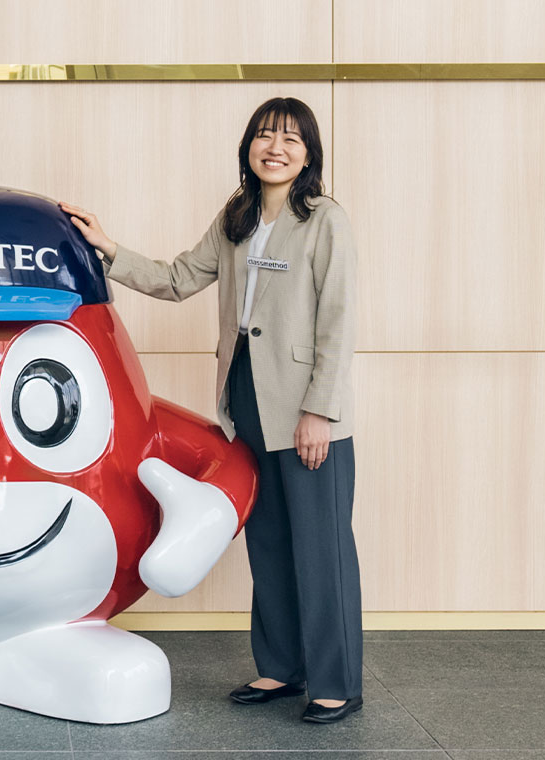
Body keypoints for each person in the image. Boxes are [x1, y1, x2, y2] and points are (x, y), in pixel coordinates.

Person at [60, 97, 362, 724]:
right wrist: (106, 246)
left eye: (291, 139)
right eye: (265, 136)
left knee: (320, 546)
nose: (275, 148)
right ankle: (281, 667)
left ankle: (335, 682)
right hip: (246, 394)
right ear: (248, 147)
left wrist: (320, 412)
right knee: (268, 540)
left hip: (304, 404)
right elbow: (177, 279)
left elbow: (338, 322)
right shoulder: (237, 218)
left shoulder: (325, 221)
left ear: (309, 154)